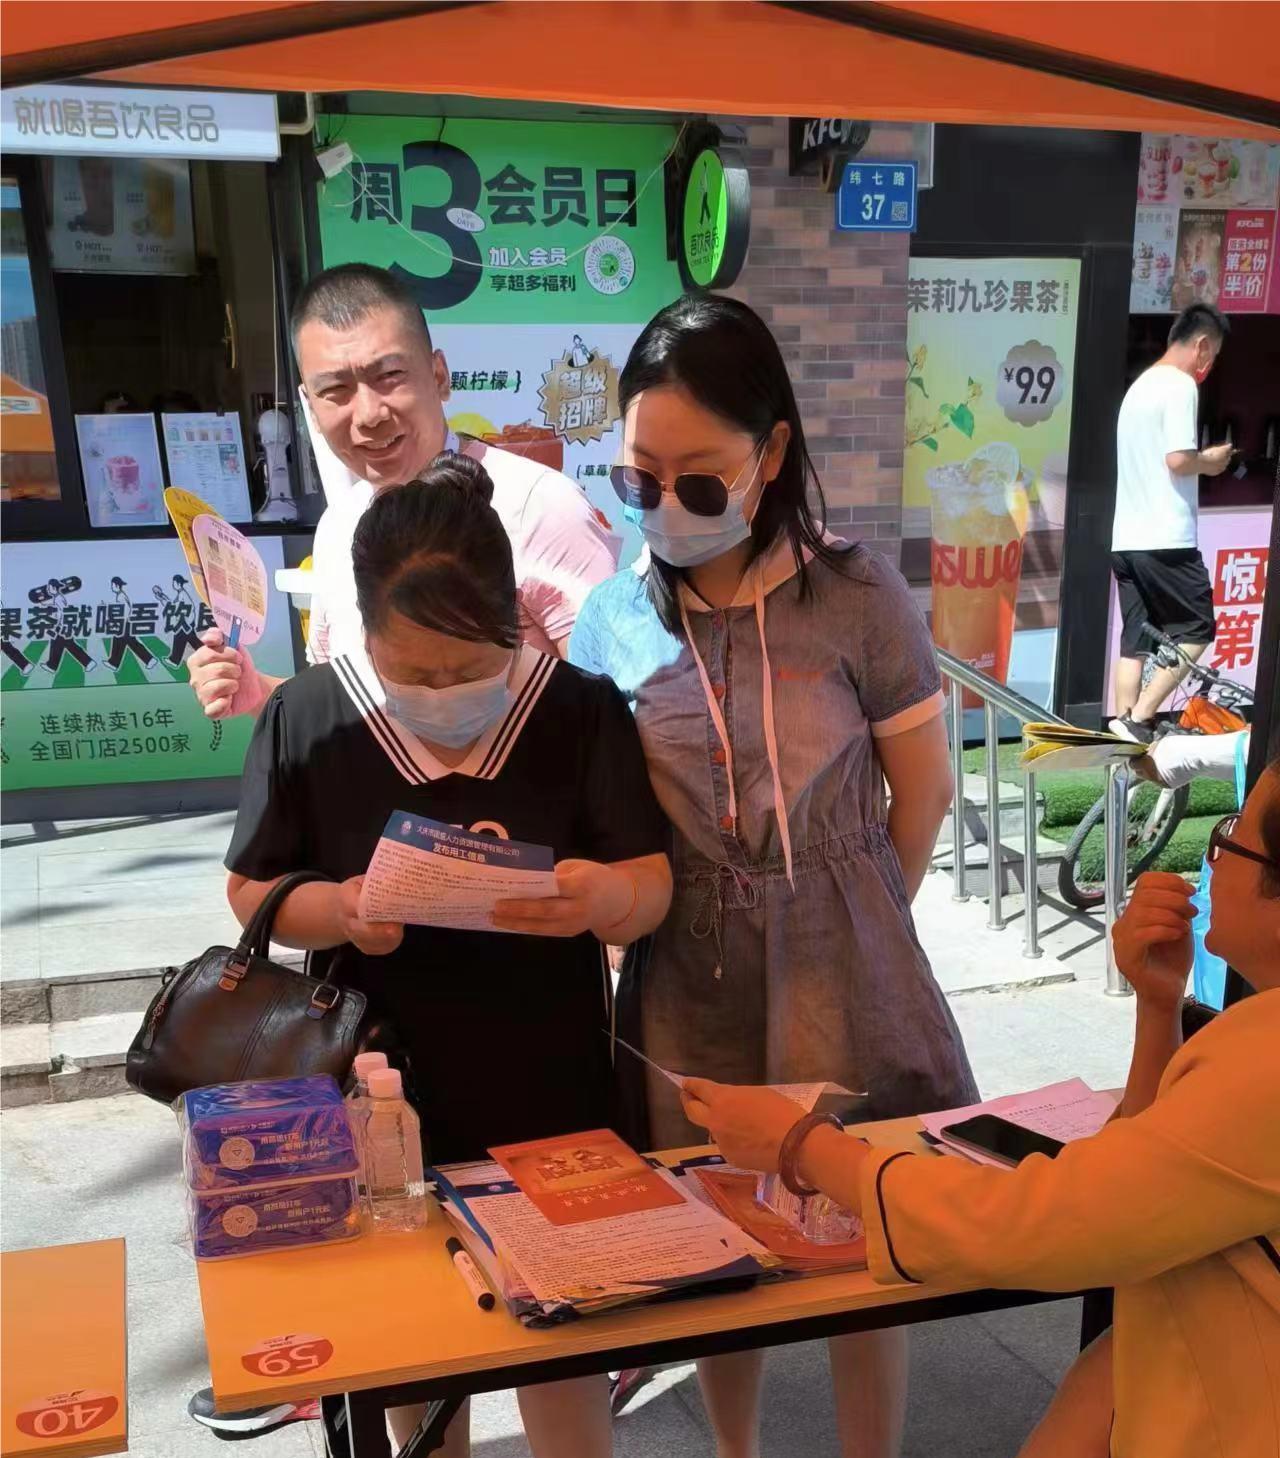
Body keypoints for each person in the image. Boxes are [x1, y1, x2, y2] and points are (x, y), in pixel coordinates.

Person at [569, 294, 976, 1458]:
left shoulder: (854, 595)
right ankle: (735, 1450)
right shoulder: (610, 619)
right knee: (708, 1228)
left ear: (772, 453)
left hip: (843, 956)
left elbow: (922, 793)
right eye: (639, 480)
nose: (665, 507)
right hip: (684, 974)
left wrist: (863, 921)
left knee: (863, 1225)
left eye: (700, 482)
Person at [221, 452, 672, 1457]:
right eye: (413, 673)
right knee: (420, 1353)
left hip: (550, 1085)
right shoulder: (310, 715)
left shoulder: (577, 709)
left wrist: (604, 898)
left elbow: (649, 882)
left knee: (568, 1340)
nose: (443, 693)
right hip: (380, 1093)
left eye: (470, 670)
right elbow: (254, 891)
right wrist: (341, 910)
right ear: (364, 629)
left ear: (513, 623)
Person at [684, 762, 1280, 1458]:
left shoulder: (1264, 1063)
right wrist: (1156, 1004)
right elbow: (1138, 1185)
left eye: (1231, 837)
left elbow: (1042, 1223)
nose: (1212, 857)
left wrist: (804, 1147)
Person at [186, 262, 616, 719]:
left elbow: (609, 708)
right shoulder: (338, 527)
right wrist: (259, 693)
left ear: (439, 374)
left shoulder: (539, 507)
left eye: (389, 375)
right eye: (336, 390)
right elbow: (343, 705)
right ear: (310, 406)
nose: (369, 414)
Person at [1109, 303, 1233, 743]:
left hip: (1126, 539)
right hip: (1166, 538)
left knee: (1135, 640)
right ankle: (1139, 720)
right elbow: (1179, 459)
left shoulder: (1139, 387)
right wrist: (1211, 462)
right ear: (1201, 346)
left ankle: (1120, 733)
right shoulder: (1180, 385)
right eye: (1213, 354)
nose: (1209, 365)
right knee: (1197, 628)